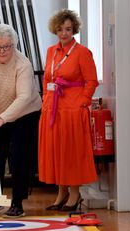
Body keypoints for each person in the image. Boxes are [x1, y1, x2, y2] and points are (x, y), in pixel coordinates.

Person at [0, 24, 41, 218]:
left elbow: (23, 98)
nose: (2, 51)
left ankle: (17, 202)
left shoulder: (23, 64)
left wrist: (3, 119)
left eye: (7, 46)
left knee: (18, 156)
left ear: (14, 45)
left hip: (25, 113)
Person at [38, 9, 99, 211]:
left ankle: (75, 194)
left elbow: (91, 81)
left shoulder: (82, 52)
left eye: (68, 29)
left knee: (72, 152)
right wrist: (46, 101)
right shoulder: (51, 51)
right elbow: (47, 79)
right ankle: (61, 192)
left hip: (73, 109)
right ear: (55, 29)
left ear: (74, 30)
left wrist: (83, 102)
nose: (64, 33)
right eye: (60, 29)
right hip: (53, 108)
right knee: (57, 151)